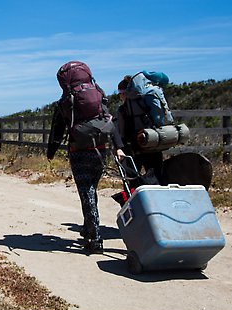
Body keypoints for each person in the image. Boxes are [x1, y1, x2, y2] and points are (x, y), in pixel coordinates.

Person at [47, 62, 126, 255]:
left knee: (86, 191)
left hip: (79, 150)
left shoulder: (67, 100)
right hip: (101, 149)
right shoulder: (98, 93)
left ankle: (95, 238)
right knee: (92, 189)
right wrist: (119, 147)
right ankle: (88, 227)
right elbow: (109, 120)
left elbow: (57, 128)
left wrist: (51, 151)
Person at [116, 75, 163, 186]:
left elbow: (121, 132)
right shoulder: (147, 103)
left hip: (134, 147)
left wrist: (119, 147)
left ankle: (135, 201)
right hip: (153, 143)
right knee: (156, 176)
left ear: (124, 93)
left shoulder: (123, 109)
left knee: (131, 181)